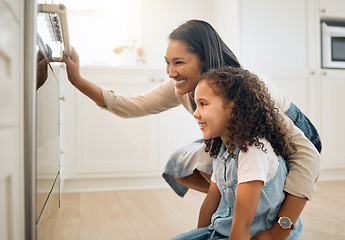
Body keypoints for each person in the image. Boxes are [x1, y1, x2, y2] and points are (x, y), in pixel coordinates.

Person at [63, 19, 321, 239]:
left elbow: (308, 156)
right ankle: (239, 206)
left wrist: (280, 230)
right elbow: (131, 105)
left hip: (296, 143)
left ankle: (274, 212)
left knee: (254, 162)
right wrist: (77, 80)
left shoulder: (246, 89)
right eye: (167, 62)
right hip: (244, 144)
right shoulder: (186, 87)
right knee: (181, 163)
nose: (170, 72)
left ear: (204, 60)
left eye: (178, 62)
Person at [172, 66, 302, 240]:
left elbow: (242, 224)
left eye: (203, 104)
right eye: (196, 105)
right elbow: (211, 202)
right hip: (222, 230)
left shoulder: (254, 152)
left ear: (234, 107)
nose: (195, 113)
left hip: (252, 235)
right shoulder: (223, 148)